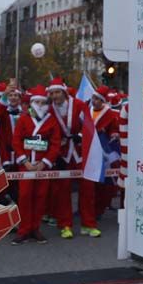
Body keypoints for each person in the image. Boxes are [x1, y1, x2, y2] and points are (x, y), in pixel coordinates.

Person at [11, 85, 61, 245]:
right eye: (36, 102)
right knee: (24, 197)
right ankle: (23, 230)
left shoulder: (52, 120)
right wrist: (24, 161)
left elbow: (55, 144)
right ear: (32, 103)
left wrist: (45, 162)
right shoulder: (24, 118)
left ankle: (35, 228)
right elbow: (16, 140)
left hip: (42, 166)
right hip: (25, 166)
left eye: (42, 102)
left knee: (40, 197)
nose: (39, 105)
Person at [77, 86, 120, 236]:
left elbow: (114, 129)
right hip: (85, 150)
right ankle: (85, 213)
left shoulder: (109, 114)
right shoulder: (85, 111)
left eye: (98, 100)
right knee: (86, 185)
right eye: (94, 98)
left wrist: (114, 134)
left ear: (103, 101)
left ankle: (97, 210)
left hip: (102, 152)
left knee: (102, 184)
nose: (94, 102)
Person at [46, 77, 85, 238]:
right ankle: (65, 224)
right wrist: (54, 156)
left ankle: (88, 223)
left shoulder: (79, 105)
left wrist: (81, 135)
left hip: (78, 149)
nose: (55, 96)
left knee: (86, 186)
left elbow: (88, 125)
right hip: (61, 152)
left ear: (64, 92)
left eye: (57, 92)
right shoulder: (49, 110)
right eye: (52, 93)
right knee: (63, 189)